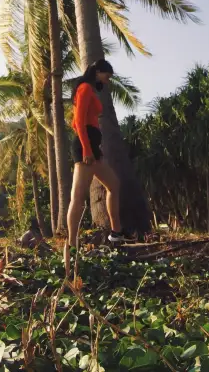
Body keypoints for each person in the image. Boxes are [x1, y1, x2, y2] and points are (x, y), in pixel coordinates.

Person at [65, 59, 131, 265]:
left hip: (93, 146)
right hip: (85, 148)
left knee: (114, 185)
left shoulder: (90, 90)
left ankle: (116, 233)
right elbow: (78, 122)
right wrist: (86, 149)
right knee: (77, 197)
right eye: (107, 76)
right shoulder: (84, 88)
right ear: (98, 72)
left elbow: (76, 122)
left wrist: (94, 148)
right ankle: (72, 244)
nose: (108, 81)